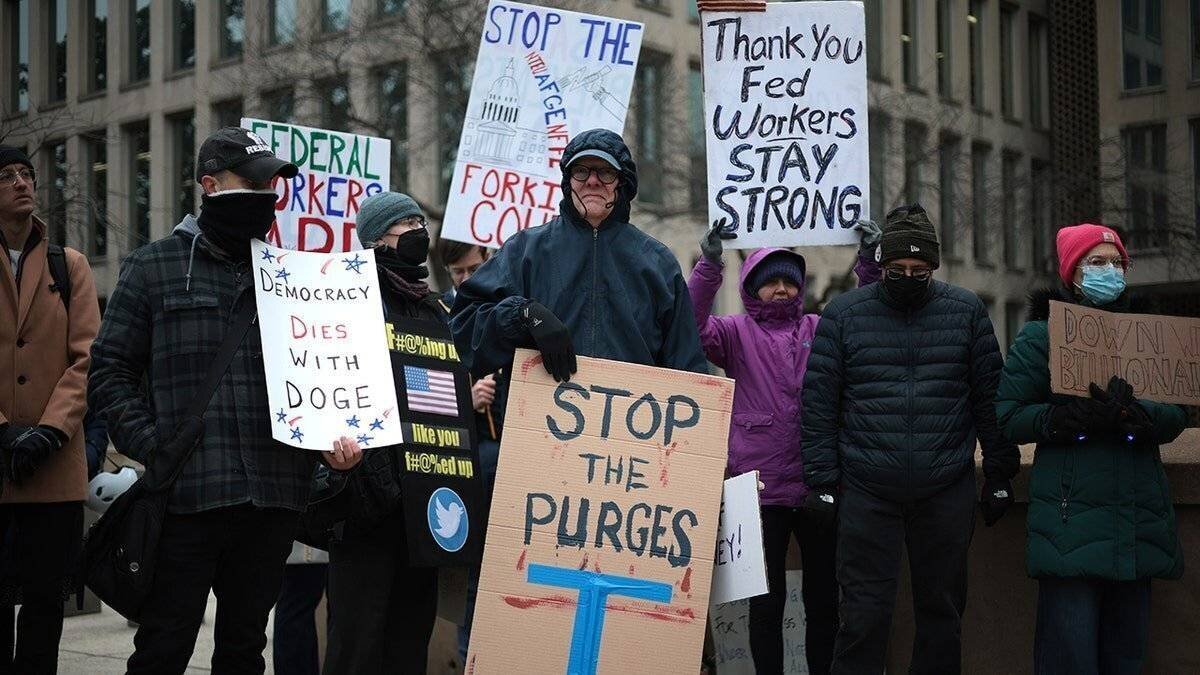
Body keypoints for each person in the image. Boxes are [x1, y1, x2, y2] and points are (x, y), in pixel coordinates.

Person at [88, 127, 361, 675]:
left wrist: (335, 446)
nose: (267, 194)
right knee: (164, 647)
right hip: (189, 498)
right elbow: (109, 371)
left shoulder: (297, 277)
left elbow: (323, 377)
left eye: (274, 183)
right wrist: (156, 445)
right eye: (253, 181)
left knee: (243, 652)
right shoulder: (154, 266)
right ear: (210, 185)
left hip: (273, 496)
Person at [801, 203, 1020, 674]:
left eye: (919, 270)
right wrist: (821, 480)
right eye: (897, 268)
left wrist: (1000, 473)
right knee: (860, 619)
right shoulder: (844, 315)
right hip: (866, 491)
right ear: (881, 266)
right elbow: (819, 405)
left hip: (944, 489)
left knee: (942, 618)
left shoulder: (965, 312)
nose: (907, 276)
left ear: (933, 268)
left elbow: (990, 399)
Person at [687, 218, 880, 675]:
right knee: (765, 607)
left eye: (788, 282)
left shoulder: (819, 326)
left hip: (818, 485)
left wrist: (868, 263)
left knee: (824, 603)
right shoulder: (733, 334)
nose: (780, 290)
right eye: (769, 282)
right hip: (758, 491)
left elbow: (864, 313)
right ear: (752, 288)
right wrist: (709, 265)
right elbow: (689, 324)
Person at [995, 223, 1186, 674]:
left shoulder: (1149, 337)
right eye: (1096, 262)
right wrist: (1065, 419)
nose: (1110, 271)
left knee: (1126, 658)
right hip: (1070, 525)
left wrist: (1141, 418)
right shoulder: (1041, 338)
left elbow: (1177, 411)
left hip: (1137, 522)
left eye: (1117, 262)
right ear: (1073, 273)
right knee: (1069, 658)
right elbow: (1009, 414)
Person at [450, 128, 707, 380]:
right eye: (581, 171)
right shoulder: (524, 250)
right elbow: (463, 334)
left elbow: (688, 371)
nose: (592, 181)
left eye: (605, 172)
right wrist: (523, 315)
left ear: (622, 182)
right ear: (568, 182)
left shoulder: (657, 262)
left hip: (631, 420)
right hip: (537, 419)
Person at [322, 192, 449, 675]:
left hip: (424, 503)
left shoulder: (434, 310)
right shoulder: (346, 303)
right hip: (364, 502)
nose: (420, 229)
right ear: (377, 239)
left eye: (422, 219)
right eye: (407, 223)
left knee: (407, 645)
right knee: (356, 646)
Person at [0, 145, 100, 674]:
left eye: (27, 175)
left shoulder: (70, 265)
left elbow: (88, 357)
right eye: (7, 175)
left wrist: (48, 431)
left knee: (44, 608)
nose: (21, 183)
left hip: (54, 466)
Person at [434, 237, 505, 663]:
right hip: (466, 467)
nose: (465, 281)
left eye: (473, 271)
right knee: (474, 583)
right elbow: (421, 386)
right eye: (457, 273)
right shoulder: (436, 314)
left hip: (512, 461)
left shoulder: (510, 308)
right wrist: (466, 397)